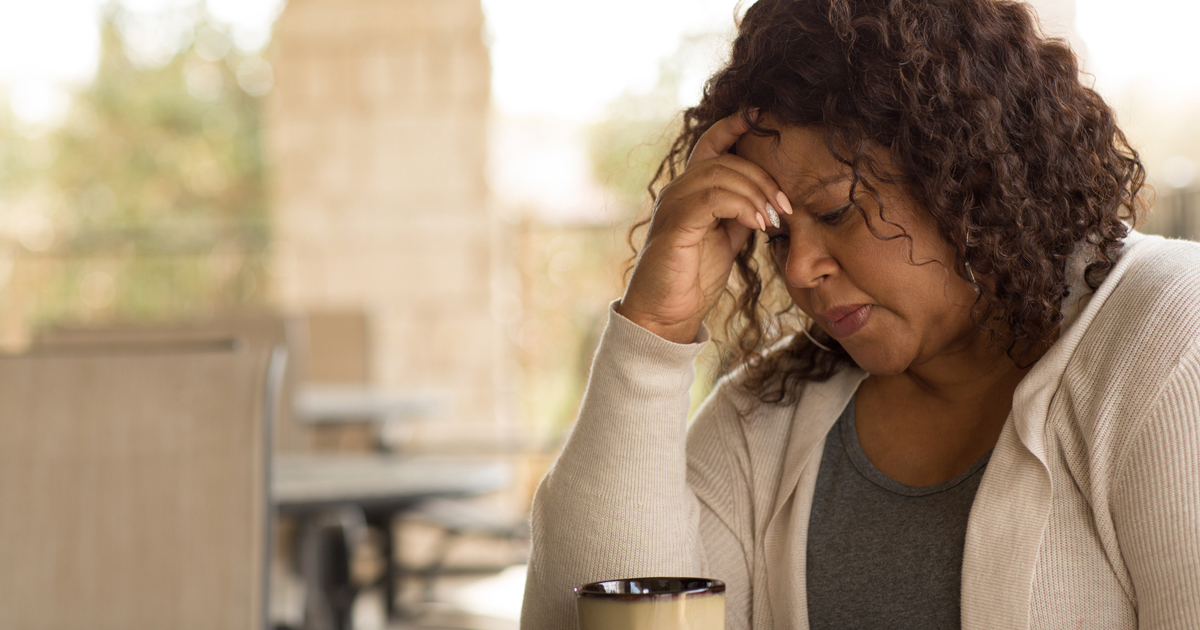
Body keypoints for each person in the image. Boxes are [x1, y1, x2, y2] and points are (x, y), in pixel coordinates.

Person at [521, 0, 1200, 628]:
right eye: (777, 232)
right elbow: (582, 614)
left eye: (837, 210)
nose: (796, 270)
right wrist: (653, 336)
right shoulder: (763, 423)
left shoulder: (1166, 340)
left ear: (963, 172)